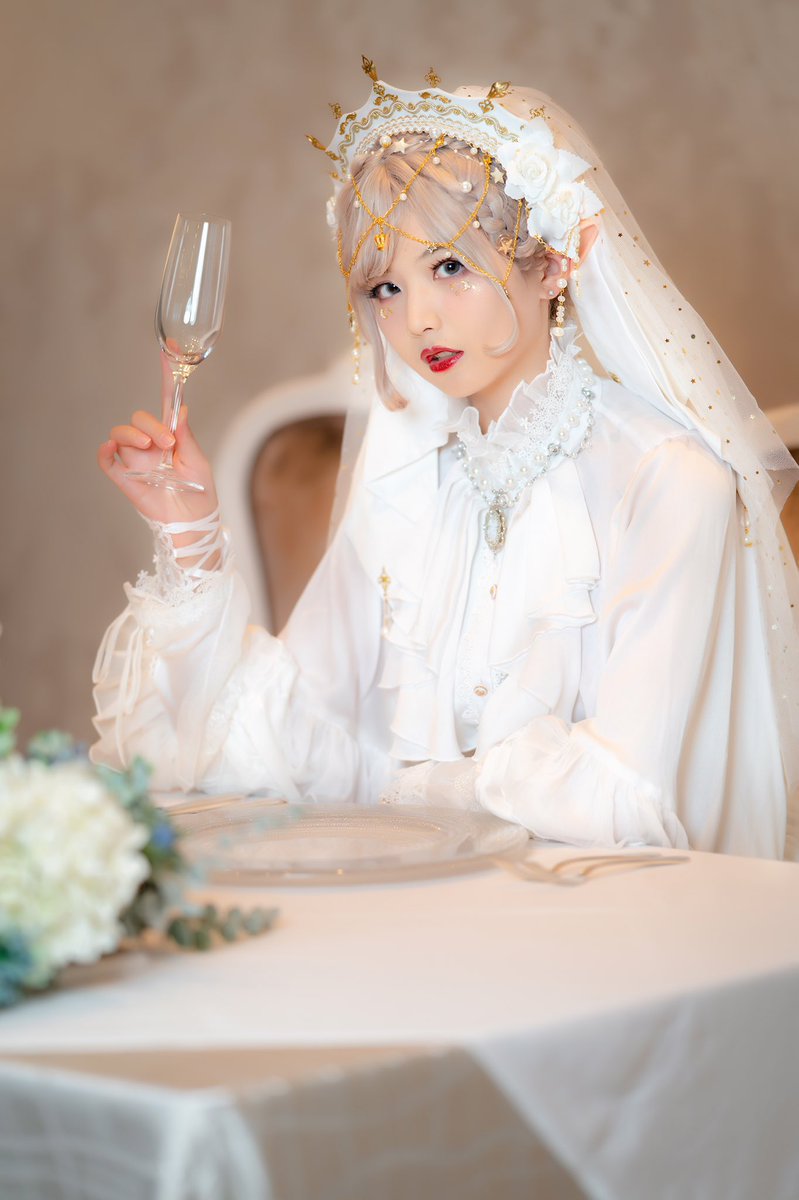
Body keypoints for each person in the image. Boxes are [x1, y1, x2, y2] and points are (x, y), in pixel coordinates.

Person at [93, 64, 799, 858]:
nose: (415, 318)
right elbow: (295, 746)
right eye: (385, 288)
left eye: (449, 268)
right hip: (434, 903)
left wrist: (418, 790)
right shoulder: (409, 480)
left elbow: (627, 801)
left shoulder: (665, 480)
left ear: (555, 261)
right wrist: (190, 538)